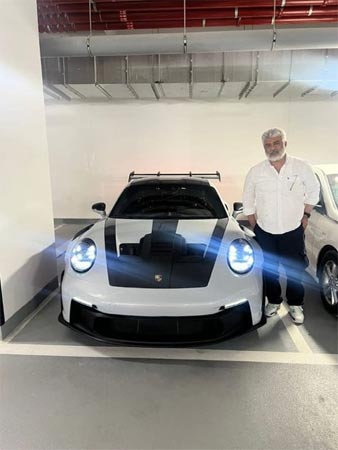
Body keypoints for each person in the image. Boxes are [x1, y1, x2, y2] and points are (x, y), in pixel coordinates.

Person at [243, 128, 319, 324]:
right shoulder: (256, 171)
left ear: (285, 143)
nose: (272, 148)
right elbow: (248, 201)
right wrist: (255, 225)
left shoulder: (301, 167)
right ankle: (274, 302)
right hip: (265, 231)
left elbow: (313, 191)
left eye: (276, 143)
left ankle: (295, 305)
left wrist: (306, 215)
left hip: (293, 230)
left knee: (294, 270)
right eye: (268, 145)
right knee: (269, 270)